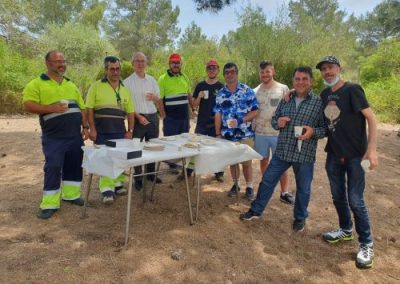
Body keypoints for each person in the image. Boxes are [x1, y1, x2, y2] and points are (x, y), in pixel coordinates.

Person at [239, 66, 326, 233]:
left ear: (311, 81)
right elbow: (274, 120)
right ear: (293, 81)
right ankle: (256, 210)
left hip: (304, 154)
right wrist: (278, 123)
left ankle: (300, 218)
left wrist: (313, 132)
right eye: (297, 79)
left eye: (304, 79)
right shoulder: (286, 100)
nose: (301, 82)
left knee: (303, 189)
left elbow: (324, 129)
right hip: (283, 151)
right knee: (267, 181)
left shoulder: (318, 103)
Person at [316, 55, 378, 269]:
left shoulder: (352, 90)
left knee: (355, 199)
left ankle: (367, 243)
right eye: (324, 69)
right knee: (338, 196)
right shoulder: (324, 94)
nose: (327, 72)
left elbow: (371, 118)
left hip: (356, 156)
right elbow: (326, 124)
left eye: (330, 68)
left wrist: (372, 150)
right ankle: (345, 230)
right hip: (334, 154)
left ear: (339, 69)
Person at [22, 50, 88, 219]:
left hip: (74, 135)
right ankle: (50, 204)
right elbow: (27, 105)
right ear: (48, 64)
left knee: (74, 164)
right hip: (54, 136)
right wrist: (51, 108)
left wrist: (86, 127)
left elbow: (82, 108)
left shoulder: (71, 84)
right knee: (53, 166)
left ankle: (71, 195)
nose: (62, 64)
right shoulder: (36, 83)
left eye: (63, 61)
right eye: (57, 61)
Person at [86, 56, 135, 205]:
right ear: (106, 70)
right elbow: (89, 109)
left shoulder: (125, 89)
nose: (115, 72)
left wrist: (130, 130)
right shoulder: (96, 86)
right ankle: (107, 189)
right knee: (105, 159)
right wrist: (92, 129)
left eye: (117, 69)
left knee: (119, 158)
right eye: (112, 69)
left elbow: (131, 112)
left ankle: (119, 184)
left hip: (120, 131)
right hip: (101, 131)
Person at [214, 62, 259, 200]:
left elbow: (255, 111)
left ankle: (250, 187)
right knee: (233, 162)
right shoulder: (220, 93)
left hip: (245, 134)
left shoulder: (247, 90)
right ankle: (236, 184)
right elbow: (217, 113)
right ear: (224, 75)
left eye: (232, 72)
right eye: (227, 72)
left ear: (237, 73)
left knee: (246, 162)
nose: (229, 74)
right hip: (228, 135)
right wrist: (217, 134)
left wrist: (240, 121)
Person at [253, 60, 294, 205]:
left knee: (281, 163)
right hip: (260, 133)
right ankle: (266, 190)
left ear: (273, 72)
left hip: (278, 134)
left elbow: (290, 108)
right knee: (263, 161)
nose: (265, 74)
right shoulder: (255, 91)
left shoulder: (283, 89)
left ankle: (284, 192)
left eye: (267, 71)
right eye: (262, 72)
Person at [123, 52, 165, 191]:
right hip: (137, 117)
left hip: (152, 117)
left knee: (153, 146)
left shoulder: (152, 80)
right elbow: (126, 105)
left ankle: (151, 174)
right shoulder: (127, 82)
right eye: (137, 61)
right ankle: (138, 177)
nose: (140, 64)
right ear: (132, 63)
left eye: (143, 61)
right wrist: (138, 116)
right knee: (136, 148)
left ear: (146, 63)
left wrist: (154, 98)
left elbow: (158, 99)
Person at [158, 53, 192, 173]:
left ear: (181, 64)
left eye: (178, 63)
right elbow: (159, 99)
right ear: (169, 64)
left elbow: (188, 95)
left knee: (183, 141)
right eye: (173, 63)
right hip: (171, 118)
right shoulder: (162, 79)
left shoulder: (185, 77)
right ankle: (172, 164)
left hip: (184, 117)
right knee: (170, 142)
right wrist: (163, 115)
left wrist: (193, 109)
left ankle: (181, 162)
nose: (176, 65)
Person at [192, 59, 225, 182]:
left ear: (218, 70)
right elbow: (194, 105)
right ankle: (189, 170)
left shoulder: (221, 87)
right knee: (195, 147)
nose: (212, 70)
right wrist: (199, 97)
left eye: (214, 68)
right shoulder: (200, 85)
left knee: (217, 148)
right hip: (201, 122)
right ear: (206, 70)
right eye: (209, 68)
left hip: (215, 124)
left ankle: (219, 172)